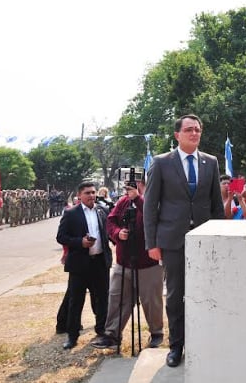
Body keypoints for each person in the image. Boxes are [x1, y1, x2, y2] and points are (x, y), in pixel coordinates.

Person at [143, 114, 225, 367]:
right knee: (176, 295)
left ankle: (206, 342)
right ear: (177, 135)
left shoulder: (210, 163)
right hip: (172, 241)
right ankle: (176, 346)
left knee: (207, 292)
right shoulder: (162, 163)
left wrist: (220, 236)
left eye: (198, 130)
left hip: (204, 240)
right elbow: (150, 205)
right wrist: (152, 243)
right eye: (189, 130)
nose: (194, 133)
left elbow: (215, 205)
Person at [91, 177, 165, 350]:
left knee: (151, 300)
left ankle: (156, 333)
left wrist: (138, 199)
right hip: (124, 261)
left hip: (149, 262)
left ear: (145, 185)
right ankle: (112, 334)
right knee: (117, 297)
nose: (131, 188)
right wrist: (118, 233)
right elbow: (111, 221)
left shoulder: (155, 200)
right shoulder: (123, 201)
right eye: (129, 185)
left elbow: (153, 217)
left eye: (137, 184)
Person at [56, 181, 113, 350]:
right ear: (80, 195)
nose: (91, 196)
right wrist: (79, 242)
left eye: (93, 192)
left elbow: (108, 232)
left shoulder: (102, 211)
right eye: (87, 193)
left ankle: (101, 331)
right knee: (76, 301)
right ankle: (72, 336)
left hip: (100, 263)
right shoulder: (71, 213)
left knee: (102, 298)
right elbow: (61, 237)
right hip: (80, 265)